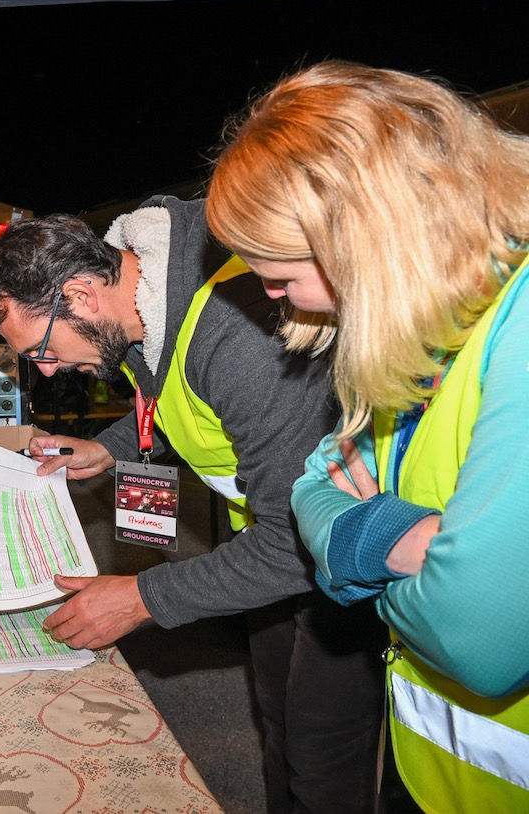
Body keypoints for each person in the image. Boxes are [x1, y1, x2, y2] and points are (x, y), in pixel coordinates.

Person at [0, 211, 385, 812]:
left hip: (332, 554)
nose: (46, 370)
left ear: (81, 295)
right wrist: (110, 448)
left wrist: (139, 597)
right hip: (267, 538)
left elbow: (293, 544)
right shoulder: (139, 300)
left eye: (40, 349)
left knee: (324, 757)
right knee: (281, 725)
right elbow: (174, 400)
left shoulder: (238, 333)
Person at [205, 60, 529, 812]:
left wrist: (350, 542)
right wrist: (392, 535)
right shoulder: (424, 325)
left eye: (281, 276)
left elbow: (473, 638)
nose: (273, 300)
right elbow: (312, 486)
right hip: (434, 777)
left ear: (363, 233)